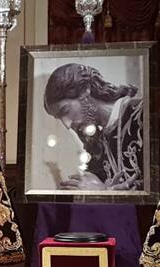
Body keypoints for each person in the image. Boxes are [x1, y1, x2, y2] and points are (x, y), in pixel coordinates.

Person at [43, 63, 143, 191]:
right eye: (60, 118)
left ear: (85, 91)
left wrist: (105, 192)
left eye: (65, 110)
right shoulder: (97, 146)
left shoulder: (142, 114)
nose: (67, 125)